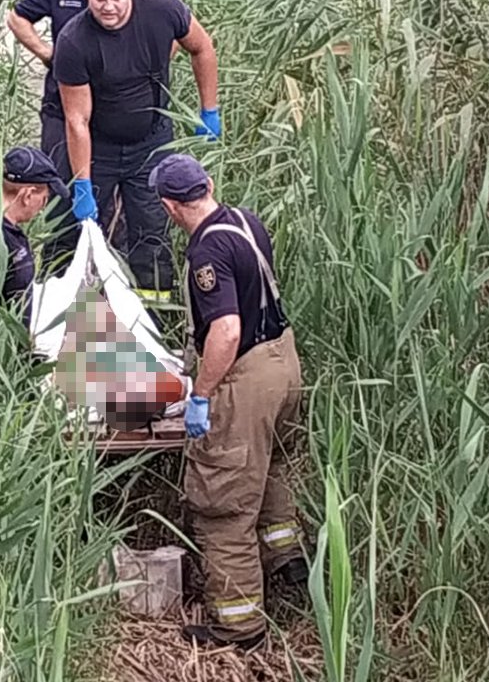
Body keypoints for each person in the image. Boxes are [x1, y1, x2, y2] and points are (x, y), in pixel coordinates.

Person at [148, 153, 308, 651]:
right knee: (272, 469)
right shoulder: (245, 220)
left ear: (171, 208)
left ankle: (239, 625)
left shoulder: (205, 256)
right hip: (284, 360)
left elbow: (226, 329)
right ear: (208, 186)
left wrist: (200, 395)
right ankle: (288, 564)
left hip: (248, 377)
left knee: (223, 499)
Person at [52, 0, 221, 304]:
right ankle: (75, 311)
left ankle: (154, 311)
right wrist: (82, 182)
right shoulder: (74, 41)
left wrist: (210, 109)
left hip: (151, 141)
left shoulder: (161, 7)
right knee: (78, 229)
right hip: (100, 146)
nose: (108, 7)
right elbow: (77, 120)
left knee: (151, 232)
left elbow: (202, 47)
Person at [4, 0, 129, 272]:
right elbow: (17, 17)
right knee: (61, 191)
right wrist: (46, 53)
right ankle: (56, 273)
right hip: (62, 110)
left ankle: (109, 272)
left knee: (110, 197)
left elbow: (174, 33)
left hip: (107, 113)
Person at [0, 146, 70, 332]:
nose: (43, 208)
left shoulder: (4, 227)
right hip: (1, 351)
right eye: (44, 199)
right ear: (27, 195)